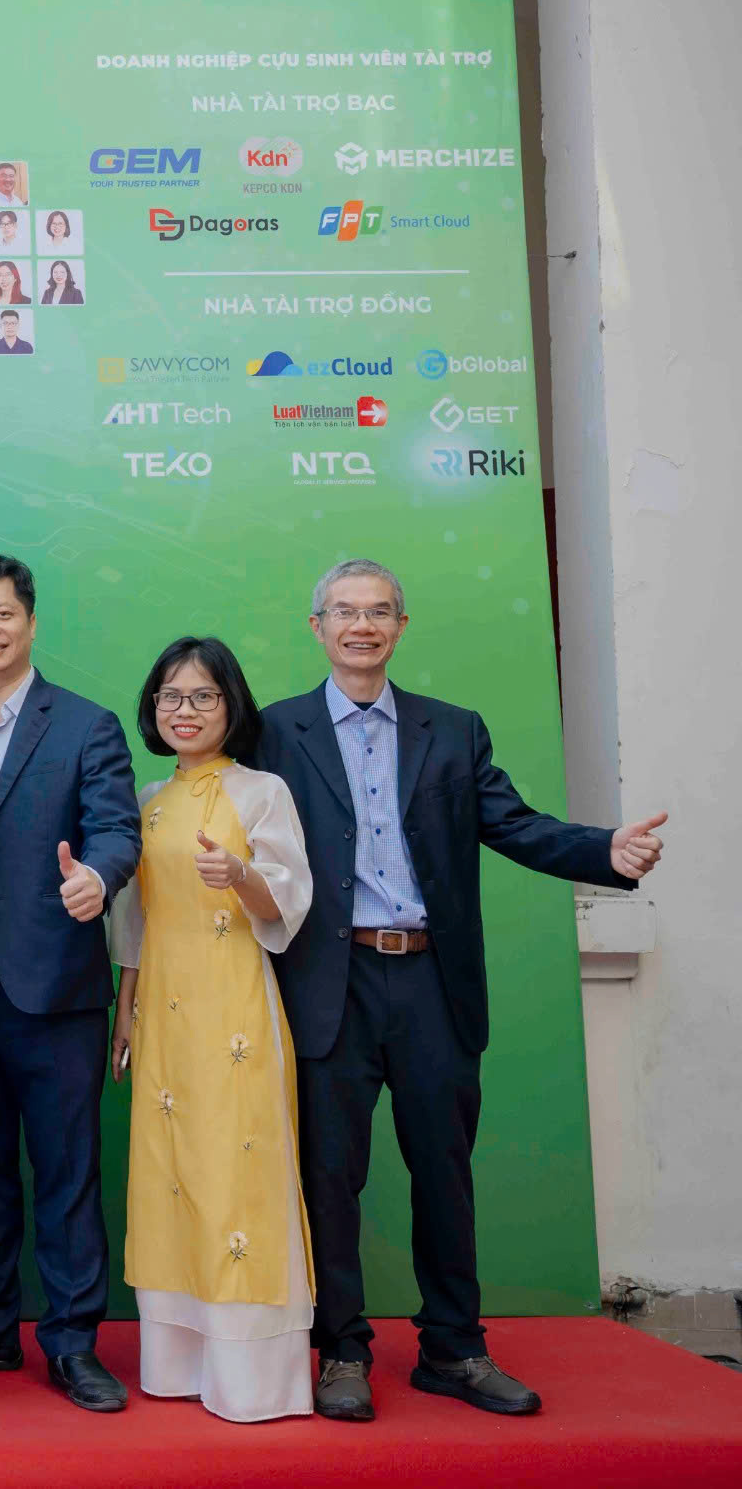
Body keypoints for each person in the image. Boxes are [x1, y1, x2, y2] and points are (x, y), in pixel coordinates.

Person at [251, 560, 665, 1422]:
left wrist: (605, 850)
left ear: (401, 626)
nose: (362, 625)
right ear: (317, 626)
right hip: (328, 981)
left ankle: (454, 1347)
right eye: (344, 611)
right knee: (329, 1175)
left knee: (443, 1168)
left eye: (379, 611)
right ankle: (342, 1350)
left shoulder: (453, 729)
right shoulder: (277, 730)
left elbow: (513, 823)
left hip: (432, 980)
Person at [0, 555, 141, 1412]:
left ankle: (74, 1341)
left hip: (54, 986)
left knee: (66, 1169)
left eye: (2, 613)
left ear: (31, 621)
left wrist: (99, 877)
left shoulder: (84, 725)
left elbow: (116, 827)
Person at [106, 636, 315, 1424]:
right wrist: (124, 1010)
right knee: (170, 1174)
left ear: (232, 705)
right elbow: (135, 920)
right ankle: (176, 1362)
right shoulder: (148, 797)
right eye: (171, 696)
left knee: (236, 1172)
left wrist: (242, 875)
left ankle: (252, 1376)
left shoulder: (262, 792)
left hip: (235, 1009)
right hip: (161, 1012)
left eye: (203, 696)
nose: (184, 710)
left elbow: (289, 900)